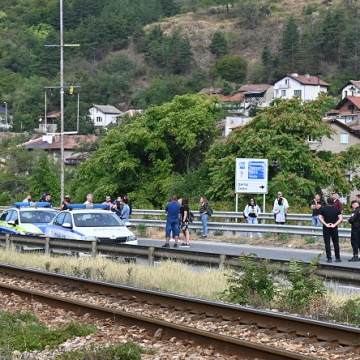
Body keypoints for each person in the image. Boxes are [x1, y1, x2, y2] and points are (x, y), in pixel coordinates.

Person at [319, 197, 343, 263]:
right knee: (336, 243)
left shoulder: (323, 209)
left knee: (327, 243)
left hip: (326, 228)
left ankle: (329, 258)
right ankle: (337, 258)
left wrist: (325, 223)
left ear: (327, 202)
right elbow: (341, 218)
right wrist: (335, 224)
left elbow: (320, 217)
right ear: (333, 202)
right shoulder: (337, 209)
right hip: (334, 228)